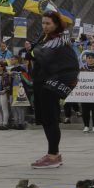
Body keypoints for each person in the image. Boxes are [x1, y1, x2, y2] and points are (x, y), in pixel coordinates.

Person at [30, 12, 79, 168]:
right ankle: (53, 153)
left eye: (48, 24)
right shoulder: (45, 39)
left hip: (50, 85)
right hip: (41, 83)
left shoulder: (59, 40)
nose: (45, 26)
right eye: (43, 23)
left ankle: (53, 155)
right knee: (45, 120)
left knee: (51, 120)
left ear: (57, 25)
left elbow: (45, 56)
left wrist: (32, 52)